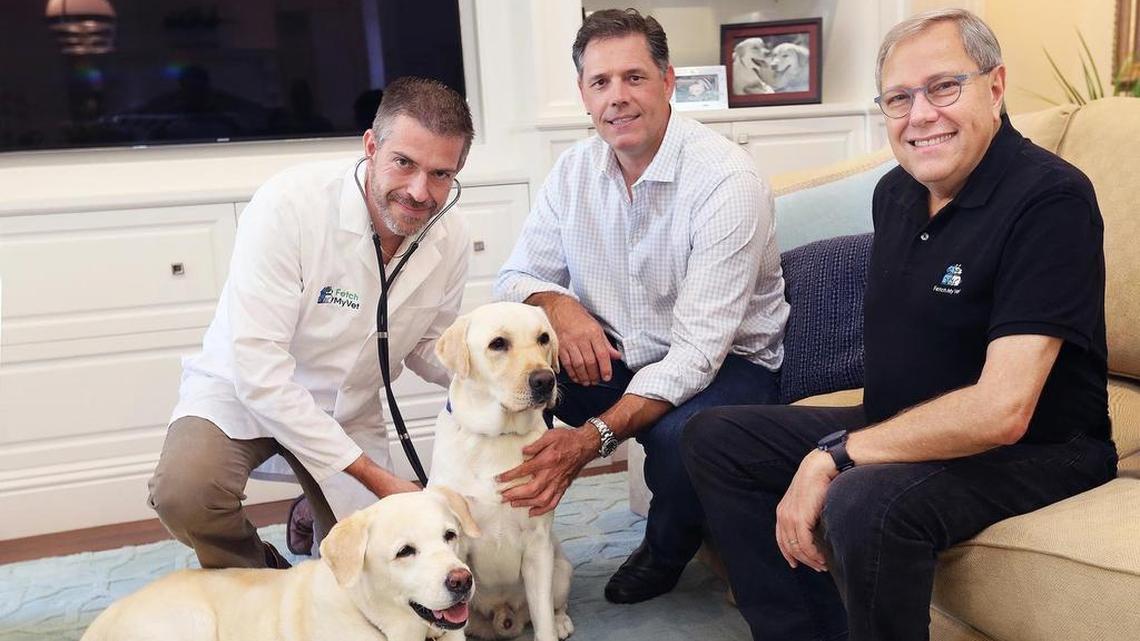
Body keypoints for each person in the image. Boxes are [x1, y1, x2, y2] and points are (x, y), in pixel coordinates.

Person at [681, 9, 1118, 641]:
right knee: (714, 436)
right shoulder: (896, 191)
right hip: (906, 419)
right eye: (898, 98)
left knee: (864, 502)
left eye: (944, 87)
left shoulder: (1050, 200)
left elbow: (1003, 411)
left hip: (1038, 449)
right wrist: (854, 443)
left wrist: (835, 455)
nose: (920, 115)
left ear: (995, 86)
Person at [493, 9, 788, 604]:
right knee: (504, 380)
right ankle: (504, 542)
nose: (617, 97)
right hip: (615, 351)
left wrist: (593, 437)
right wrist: (560, 305)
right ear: (584, 95)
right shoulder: (573, 172)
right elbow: (514, 279)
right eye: (600, 82)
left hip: (728, 365)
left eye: (634, 77)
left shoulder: (726, 180)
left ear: (668, 80)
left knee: (682, 439)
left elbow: (697, 354)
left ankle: (667, 546)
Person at [147, 76, 474, 569]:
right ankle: (264, 577)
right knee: (186, 493)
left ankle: (312, 505)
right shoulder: (288, 206)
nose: (419, 191)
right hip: (243, 393)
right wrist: (375, 477)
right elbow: (260, 374)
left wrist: (495, 375)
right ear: (371, 147)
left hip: (347, 409)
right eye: (404, 163)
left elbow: (427, 343)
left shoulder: (451, 236)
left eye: (440, 174)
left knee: (369, 567)